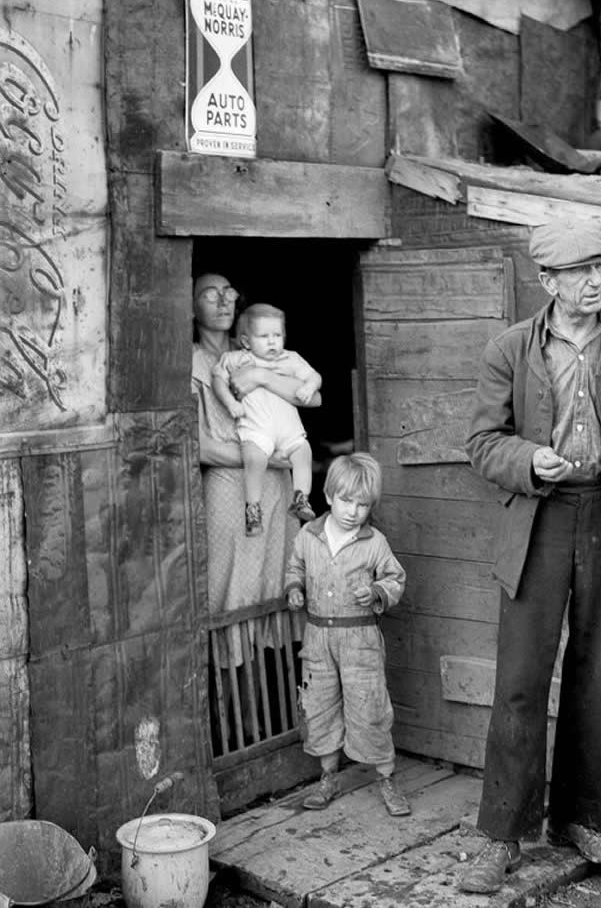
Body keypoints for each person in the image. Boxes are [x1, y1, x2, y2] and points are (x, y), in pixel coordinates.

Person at [458, 220, 601, 894]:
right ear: (547, 281)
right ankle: (502, 834)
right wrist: (529, 458)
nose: (594, 281)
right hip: (539, 519)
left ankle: (582, 816)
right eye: (579, 271)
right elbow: (483, 443)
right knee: (520, 680)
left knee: (597, 674)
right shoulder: (510, 349)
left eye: (599, 268)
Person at [192, 273, 321, 743]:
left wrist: (265, 375)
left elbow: (310, 395)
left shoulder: (264, 351)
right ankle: (236, 728)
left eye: (230, 292)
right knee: (232, 595)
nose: (224, 299)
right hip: (231, 486)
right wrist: (269, 458)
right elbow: (199, 446)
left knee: (278, 585)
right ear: (189, 306)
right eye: (210, 293)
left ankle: (285, 715)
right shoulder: (194, 361)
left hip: (277, 485)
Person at [284, 452, 411, 818]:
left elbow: (395, 578)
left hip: (360, 640)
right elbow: (295, 566)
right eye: (346, 500)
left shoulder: (374, 543)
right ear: (327, 494)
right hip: (317, 638)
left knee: (369, 707)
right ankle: (328, 777)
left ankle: (385, 778)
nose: (353, 511)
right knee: (320, 705)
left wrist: (376, 592)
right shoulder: (308, 535)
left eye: (363, 504)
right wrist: (294, 588)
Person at [212, 302, 321, 535]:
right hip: (256, 429)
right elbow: (218, 379)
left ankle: (301, 498)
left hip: (288, 430)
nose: (272, 341)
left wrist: (309, 386)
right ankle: (253, 509)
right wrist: (230, 403)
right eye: (264, 336)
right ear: (246, 342)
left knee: (304, 453)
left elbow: (315, 378)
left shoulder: (290, 359)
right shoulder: (237, 359)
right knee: (254, 460)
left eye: (277, 335)